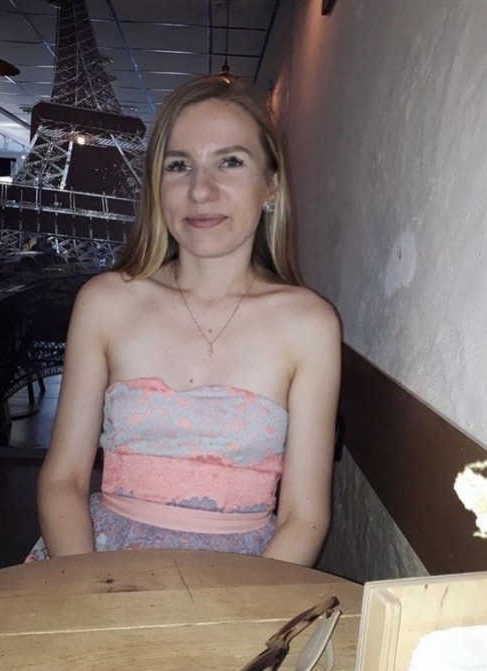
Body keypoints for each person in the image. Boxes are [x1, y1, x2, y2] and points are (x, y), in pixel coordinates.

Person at [27, 74, 341, 567]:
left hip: (247, 576)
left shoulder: (310, 324)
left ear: (272, 185)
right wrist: (90, 591)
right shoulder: (105, 302)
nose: (201, 190)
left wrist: (244, 610)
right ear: (158, 187)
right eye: (179, 166)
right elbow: (63, 478)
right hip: (96, 564)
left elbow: (304, 517)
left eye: (230, 162)